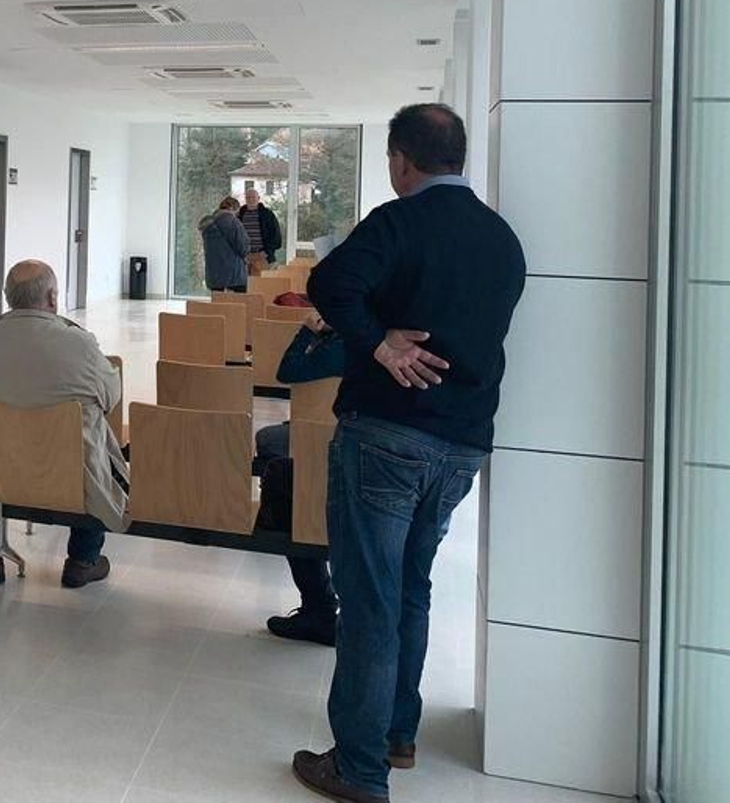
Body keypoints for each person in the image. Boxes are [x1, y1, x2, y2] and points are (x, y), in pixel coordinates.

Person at [290, 104, 525, 803]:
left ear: (401, 160)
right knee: (413, 587)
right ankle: (397, 733)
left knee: (369, 599)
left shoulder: (398, 221)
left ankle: (359, 768)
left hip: (387, 436)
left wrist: (381, 342)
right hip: (462, 445)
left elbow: (331, 284)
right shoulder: (502, 239)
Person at [0, 260, 127, 589]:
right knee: (92, 446)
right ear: (53, 298)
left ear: (8, 298)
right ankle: (82, 560)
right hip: (68, 473)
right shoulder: (80, 345)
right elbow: (111, 397)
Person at [252, 313, 344, 647]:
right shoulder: (379, 340)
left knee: (277, 460)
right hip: (364, 447)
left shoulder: (335, 348)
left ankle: (318, 606)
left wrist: (307, 332)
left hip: (322, 444)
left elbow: (286, 370)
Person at [198, 196, 250, 293]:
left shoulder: (208, 224)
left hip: (214, 272)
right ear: (232, 208)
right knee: (239, 304)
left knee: (218, 305)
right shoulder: (234, 222)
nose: (236, 214)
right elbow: (243, 246)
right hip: (234, 273)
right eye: (237, 211)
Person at [241, 187, 284, 273]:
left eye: (253, 197)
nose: (251, 200)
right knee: (246, 285)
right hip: (245, 257)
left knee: (263, 284)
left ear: (258, 198)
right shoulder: (240, 214)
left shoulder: (267, 214)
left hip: (263, 256)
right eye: (248, 197)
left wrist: (267, 252)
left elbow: (276, 236)